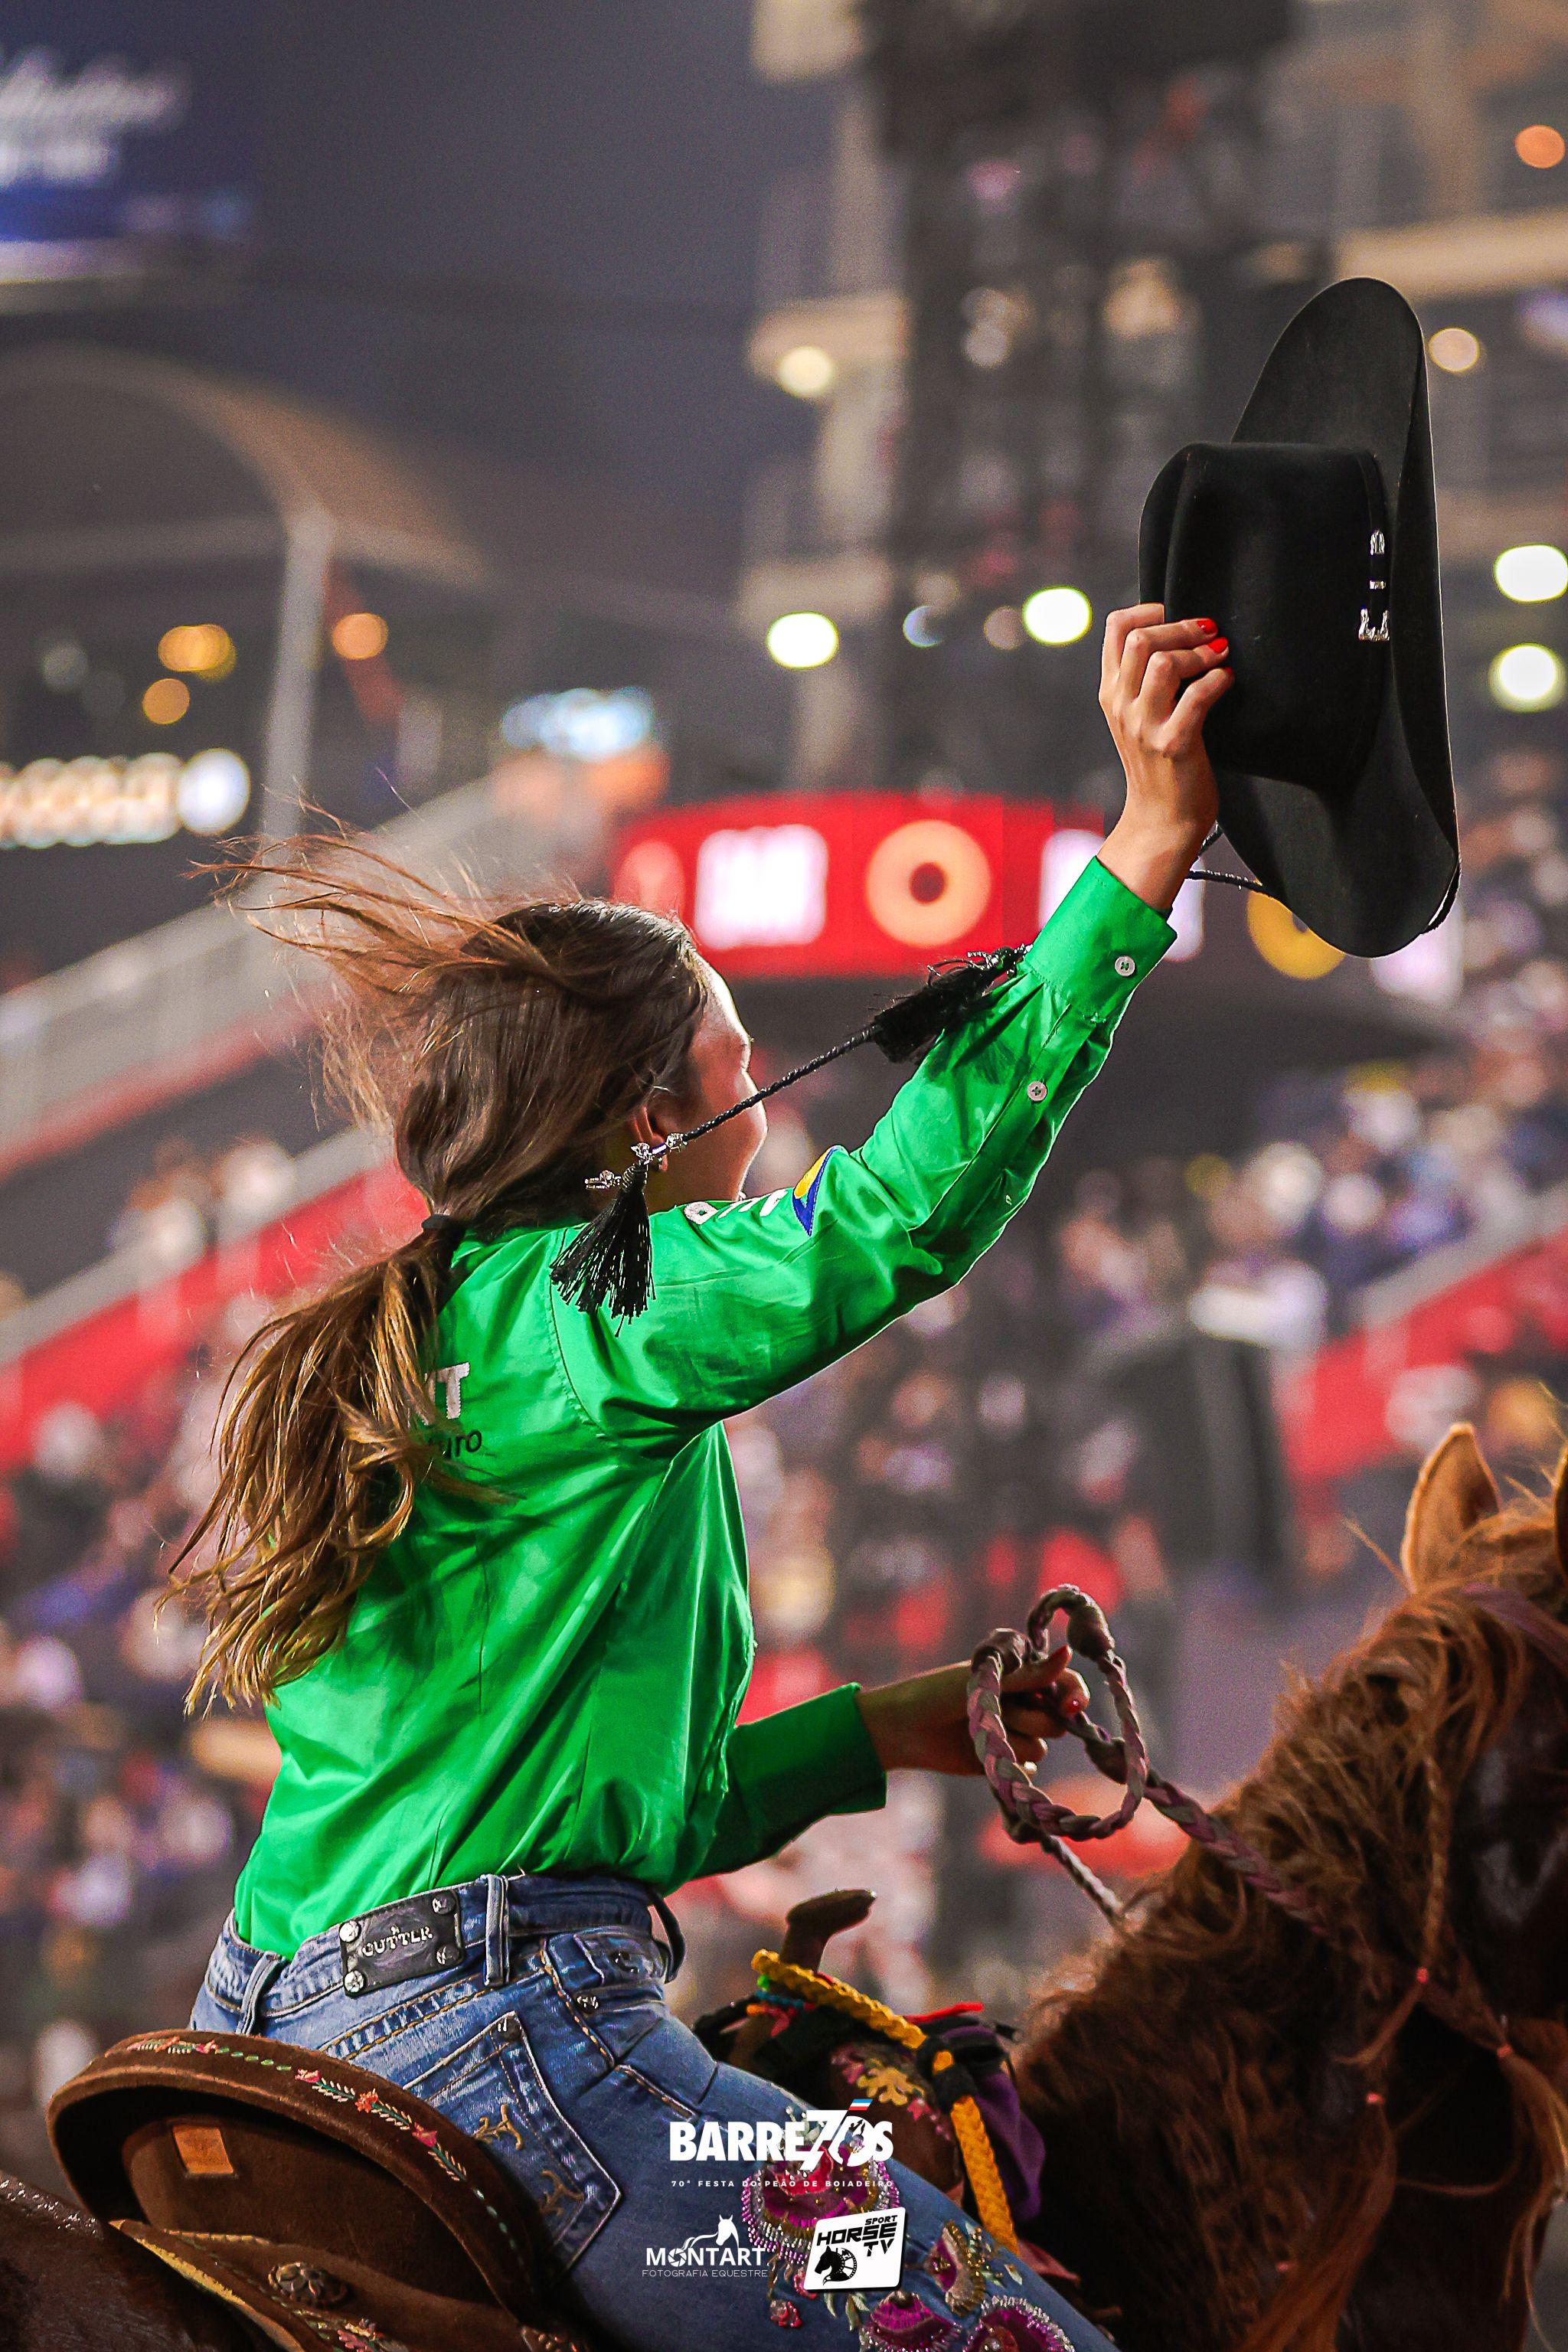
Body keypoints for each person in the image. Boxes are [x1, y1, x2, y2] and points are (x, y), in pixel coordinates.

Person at [178, 606, 1231, 2352]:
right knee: (1002, 2335)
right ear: (644, 1123)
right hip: (511, 2058)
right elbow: (888, 1226)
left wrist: (891, 1728)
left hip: (279, 2029)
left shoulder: (439, 1336)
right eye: (746, 1065)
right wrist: (1144, 851)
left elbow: (588, 1835)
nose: (771, 1110)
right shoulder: (596, 1312)